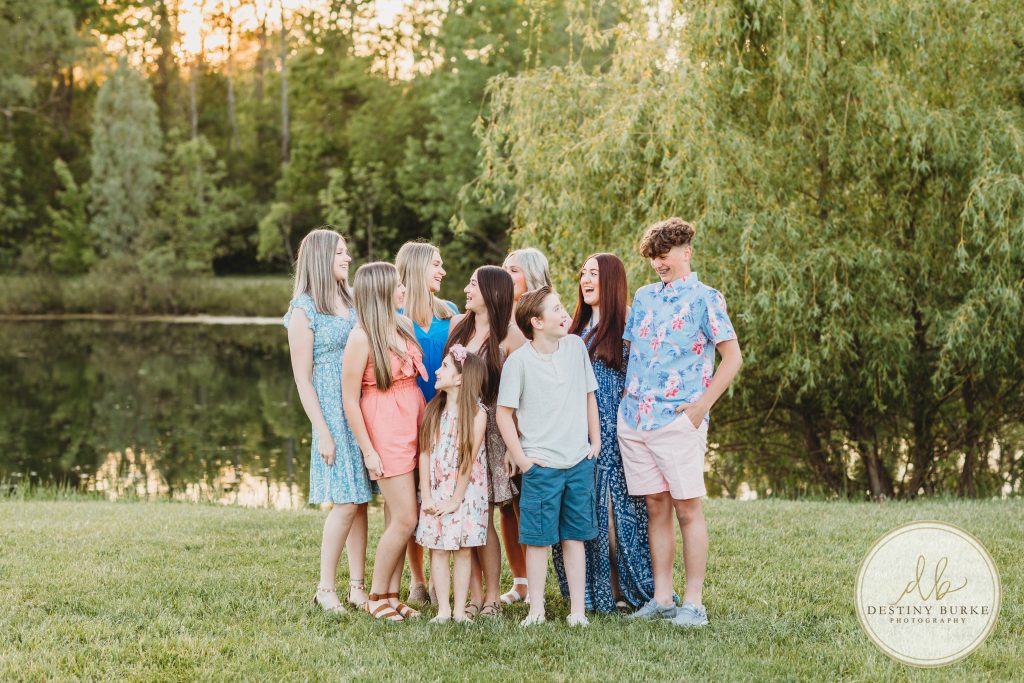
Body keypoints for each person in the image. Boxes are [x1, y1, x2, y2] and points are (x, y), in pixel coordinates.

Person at [618, 218, 742, 628]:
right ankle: (663, 597)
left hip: (679, 419)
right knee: (656, 507)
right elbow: (632, 352)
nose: (658, 262)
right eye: (653, 256)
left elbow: (733, 358)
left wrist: (700, 409)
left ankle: (694, 603)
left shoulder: (707, 298)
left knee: (687, 510)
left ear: (686, 251)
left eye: (665, 253)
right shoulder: (644, 297)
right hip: (635, 420)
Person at [552, 253, 656, 613]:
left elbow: (643, 378)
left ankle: (627, 588)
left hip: (619, 431)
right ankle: (597, 592)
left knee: (617, 511)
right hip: (577, 431)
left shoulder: (628, 325)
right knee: (586, 509)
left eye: (594, 273)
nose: (585, 279)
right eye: (582, 273)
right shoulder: (574, 331)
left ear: (611, 280)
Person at [496, 286, 600, 627]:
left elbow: (589, 395)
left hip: (577, 462)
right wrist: (523, 460)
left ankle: (578, 611)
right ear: (537, 321)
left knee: (575, 537)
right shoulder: (519, 362)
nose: (564, 313)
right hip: (541, 465)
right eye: (556, 309)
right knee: (538, 541)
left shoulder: (575, 347)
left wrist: (594, 442)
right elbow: (503, 414)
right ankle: (536, 609)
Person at [284, 227, 372, 614]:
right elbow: (302, 378)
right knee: (345, 503)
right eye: (340, 253)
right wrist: (322, 430)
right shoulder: (303, 309)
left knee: (361, 501)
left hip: (360, 405)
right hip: (331, 413)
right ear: (321, 257)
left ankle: (357, 586)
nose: (347, 257)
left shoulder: (351, 300)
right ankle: (325, 587)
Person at [342, 262, 427, 622]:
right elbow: (349, 399)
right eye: (398, 285)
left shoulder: (402, 325)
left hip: (414, 424)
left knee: (398, 515)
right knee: (406, 518)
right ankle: (376, 596)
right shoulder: (361, 336)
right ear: (380, 291)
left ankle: (392, 596)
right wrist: (369, 450)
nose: (404, 289)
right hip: (385, 430)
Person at [444, 266, 526, 618]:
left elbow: (522, 394)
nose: (466, 289)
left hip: (493, 429)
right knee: (465, 510)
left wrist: (512, 444)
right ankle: (473, 596)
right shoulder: (457, 327)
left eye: (473, 285)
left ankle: (492, 597)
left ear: (492, 292)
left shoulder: (512, 336)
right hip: (457, 426)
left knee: (485, 512)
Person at [395, 241, 459, 604]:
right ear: (418, 268)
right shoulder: (395, 314)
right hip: (405, 415)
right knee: (407, 499)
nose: (442, 271)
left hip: (442, 416)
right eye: (436, 264)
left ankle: (442, 578)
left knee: (439, 492)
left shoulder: (449, 312)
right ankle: (417, 580)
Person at [415, 346, 489, 623]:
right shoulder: (434, 411)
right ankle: (443, 609)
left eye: (445, 366)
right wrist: (428, 495)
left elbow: (468, 458)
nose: (437, 370)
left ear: (460, 378)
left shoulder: (477, 414)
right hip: (436, 489)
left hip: (466, 491)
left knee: (463, 548)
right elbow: (424, 453)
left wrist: (456, 499)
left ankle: (460, 610)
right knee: (438, 547)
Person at [497, 247, 552, 605]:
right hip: (501, 421)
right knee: (506, 502)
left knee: (531, 503)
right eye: (503, 269)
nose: (506, 275)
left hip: (535, 423)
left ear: (531, 276)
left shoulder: (546, 315)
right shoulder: (500, 316)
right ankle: (520, 581)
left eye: (513, 270)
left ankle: (542, 580)